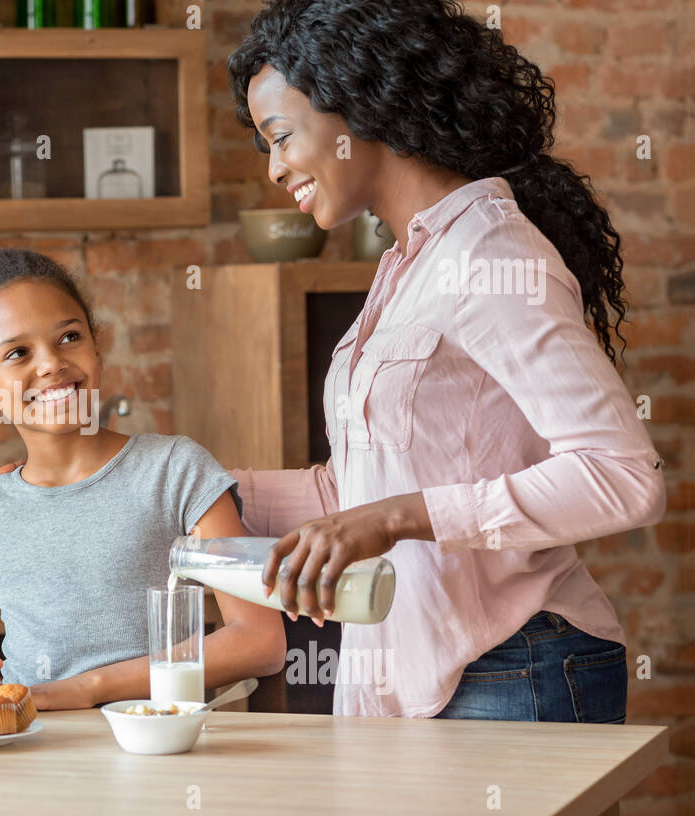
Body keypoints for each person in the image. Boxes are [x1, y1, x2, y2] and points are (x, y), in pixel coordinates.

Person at [219, 0, 665, 719]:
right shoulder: (406, 266)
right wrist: (177, 483)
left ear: (357, 108)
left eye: (281, 137)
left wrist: (394, 518)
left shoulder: (489, 254)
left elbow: (623, 477)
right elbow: (357, 493)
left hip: (513, 668)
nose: (273, 170)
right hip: (439, 680)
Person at [0, 248, 285, 709]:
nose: (50, 363)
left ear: (96, 347)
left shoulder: (175, 471)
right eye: (18, 352)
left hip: (154, 750)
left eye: (68, 337)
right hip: (28, 750)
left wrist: (87, 689)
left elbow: (259, 642)